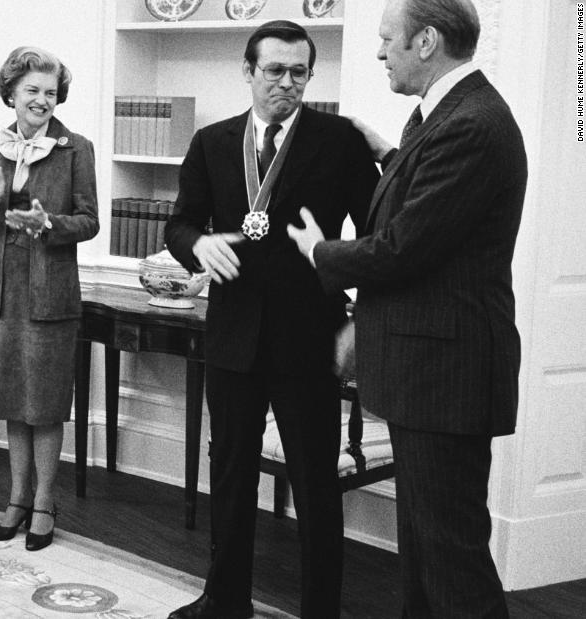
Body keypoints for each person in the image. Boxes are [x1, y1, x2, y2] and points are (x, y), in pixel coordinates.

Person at [287, 1, 526, 616]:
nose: (378, 52)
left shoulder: (470, 123)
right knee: (424, 556)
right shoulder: (448, 117)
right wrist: (391, 154)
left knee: (453, 565)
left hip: (445, 378)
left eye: (387, 39)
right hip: (430, 373)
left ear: (426, 41)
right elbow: (431, 204)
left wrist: (321, 253)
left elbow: (403, 248)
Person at [164, 21, 380, 619]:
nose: (287, 83)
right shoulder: (212, 141)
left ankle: (321, 611)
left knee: (316, 486)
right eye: (274, 71)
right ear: (248, 71)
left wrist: (359, 319)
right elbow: (180, 223)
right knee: (229, 475)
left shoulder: (339, 141)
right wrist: (195, 247)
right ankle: (224, 601)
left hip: (310, 340)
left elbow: (377, 234)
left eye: (299, 72)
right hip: (232, 337)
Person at [0, 46, 99, 552]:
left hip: (50, 294)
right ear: (12, 94)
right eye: (32, 91)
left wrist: (49, 223)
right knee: (11, 405)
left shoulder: (76, 148)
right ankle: (16, 499)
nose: (42, 100)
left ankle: (45, 502)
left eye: (50, 92)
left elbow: (89, 220)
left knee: (44, 406)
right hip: (3, 292)